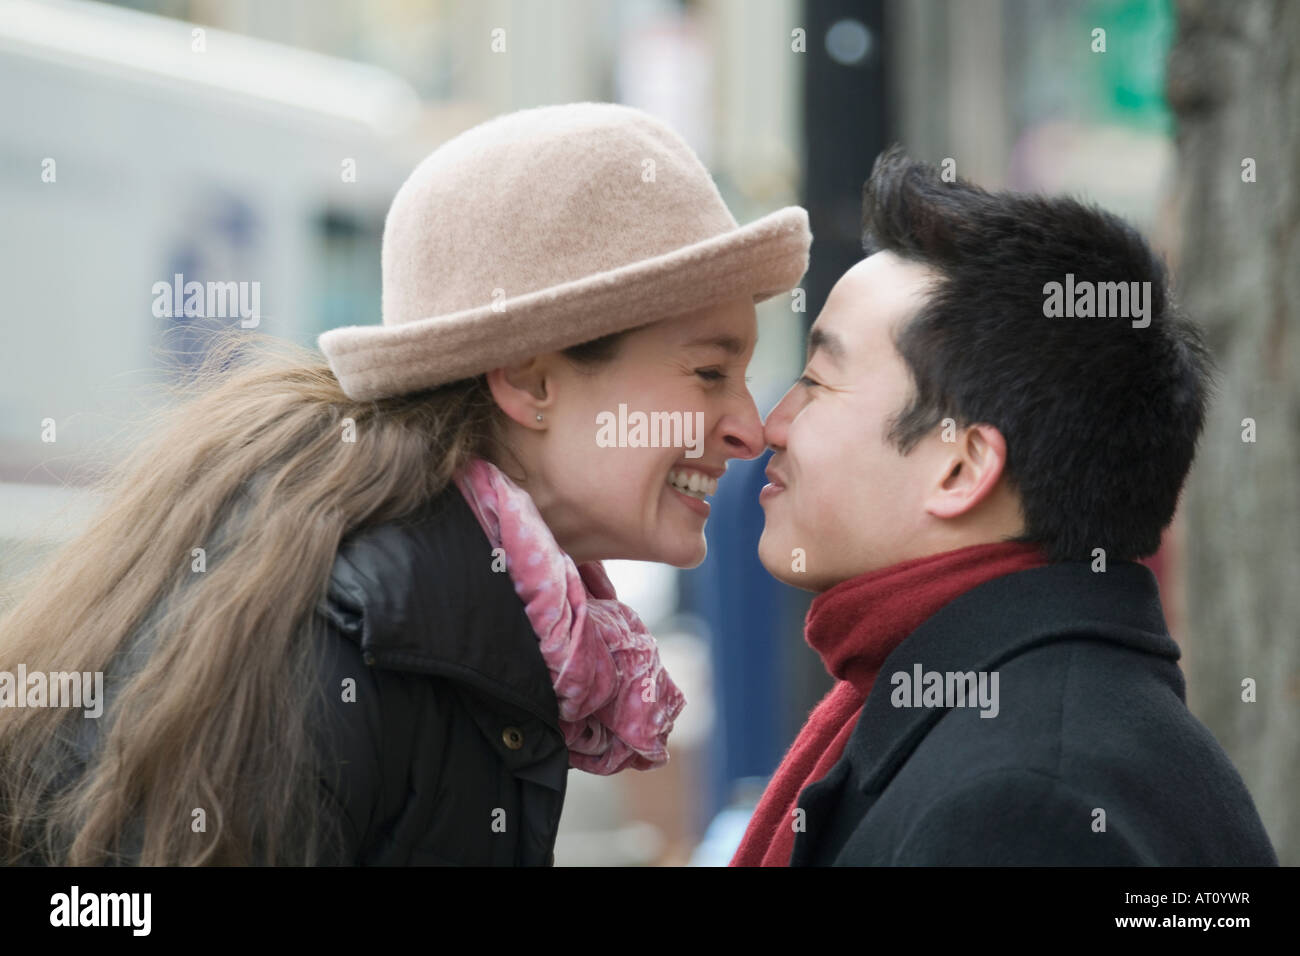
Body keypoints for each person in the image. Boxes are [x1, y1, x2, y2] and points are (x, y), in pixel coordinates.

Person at [0, 102, 811, 866]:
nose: (751, 426)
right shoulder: (349, 635)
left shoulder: (441, 598)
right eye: (709, 372)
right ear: (531, 384)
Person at [731, 146, 1277, 866]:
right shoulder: (1041, 722)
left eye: (815, 380)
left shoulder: (1020, 807)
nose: (771, 423)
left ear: (961, 466)